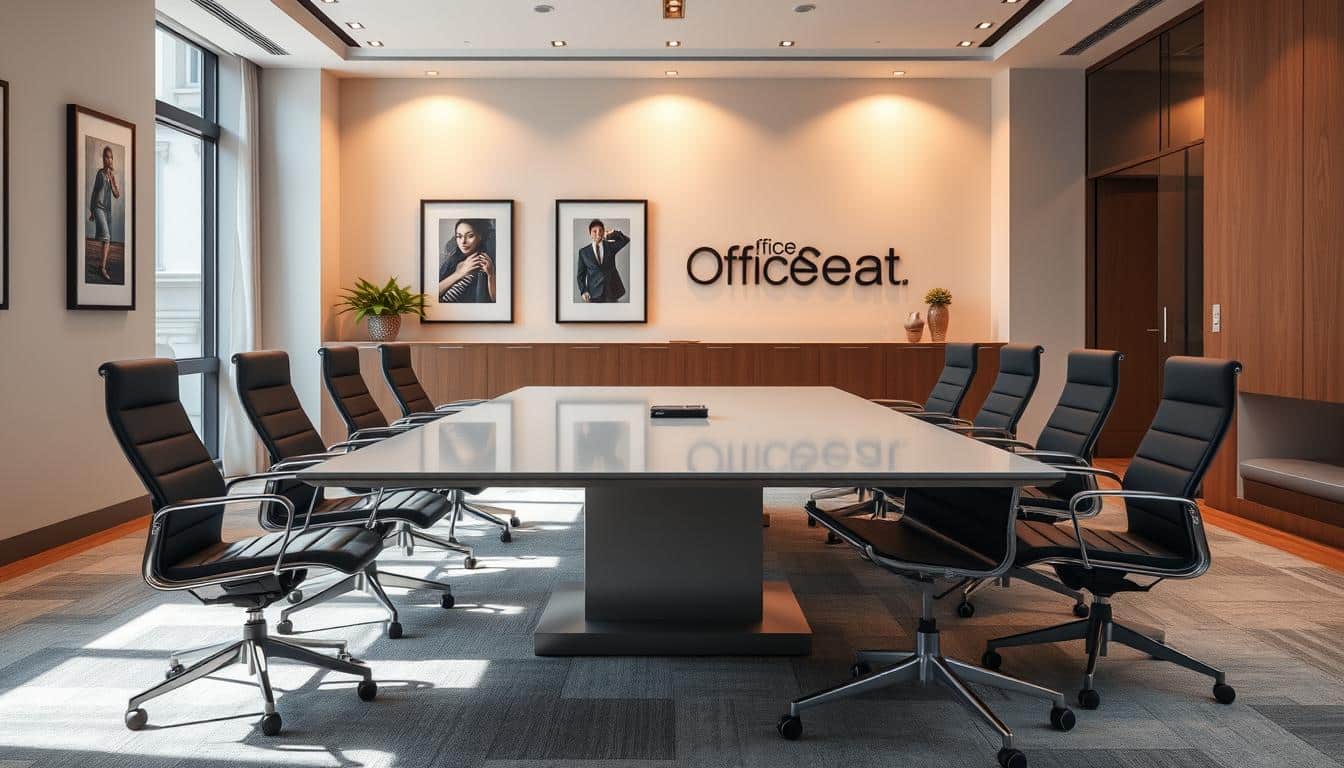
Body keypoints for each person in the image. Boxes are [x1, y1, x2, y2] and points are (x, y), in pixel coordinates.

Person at [437, 219, 496, 303]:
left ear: (480, 237)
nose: (463, 241)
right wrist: (459, 273)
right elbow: (431, 294)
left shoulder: (487, 261)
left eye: (470, 236)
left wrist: (491, 275)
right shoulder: (452, 260)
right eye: (459, 236)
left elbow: (496, 301)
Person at [576, 219, 629, 303]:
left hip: (611, 290)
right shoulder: (583, 252)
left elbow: (626, 240)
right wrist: (583, 291)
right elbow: (580, 275)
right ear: (590, 233)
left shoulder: (610, 246)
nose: (598, 234)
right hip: (593, 293)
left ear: (604, 232)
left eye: (600, 231)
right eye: (594, 231)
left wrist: (614, 233)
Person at [89, 145, 121, 282]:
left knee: (105, 240)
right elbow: (94, 192)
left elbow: (117, 195)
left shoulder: (112, 176)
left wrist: (113, 182)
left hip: (107, 211)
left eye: (110, 157)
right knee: (107, 237)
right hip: (98, 207)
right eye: (106, 157)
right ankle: (102, 268)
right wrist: (91, 211)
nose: (108, 159)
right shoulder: (100, 173)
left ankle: (100, 265)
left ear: (112, 159)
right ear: (103, 159)